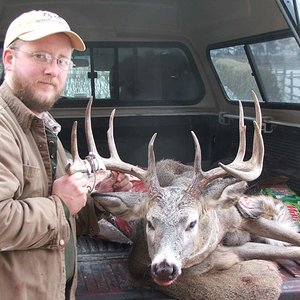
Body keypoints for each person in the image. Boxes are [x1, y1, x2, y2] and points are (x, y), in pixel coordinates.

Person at [0, 10, 132, 300]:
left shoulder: (42, 125)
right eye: (41, 57)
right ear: (9, 59)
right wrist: (61, 204)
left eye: (62, 61)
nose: (53, 69)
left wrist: (95, 197)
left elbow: (62, 212)